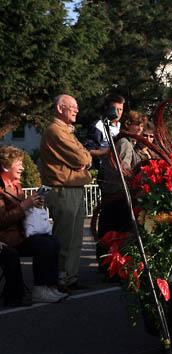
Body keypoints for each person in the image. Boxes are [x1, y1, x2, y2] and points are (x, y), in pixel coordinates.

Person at [40, 94, 93, 292]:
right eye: (73, 107)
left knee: (76, 238)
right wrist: (85, 159)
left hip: (73, 189)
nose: (77, 110)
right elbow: (81, 158)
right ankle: (61, 278)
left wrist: (84, 158)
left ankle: (70, 277)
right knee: (65, 238)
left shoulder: (66, 131)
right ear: (60, 108)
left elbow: (83, 156)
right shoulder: (56, 131)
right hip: (63, 190)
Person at [0, 146, 64, 303]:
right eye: (19, 162)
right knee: (44, 244)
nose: (22, 167)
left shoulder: (16, 184)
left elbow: (20, 211)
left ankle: (50, 286)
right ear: (5, 165)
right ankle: (39, 289)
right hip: (7, 239)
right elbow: (1, 221)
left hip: (20, 235)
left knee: (52, 241)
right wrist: (24, 206)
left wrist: (33, 203)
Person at [98, 111, 147, 243]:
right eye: (137, 125)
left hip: (116, 197)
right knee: (116, 237)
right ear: (128, 125)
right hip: (119, 198)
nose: (140, 129)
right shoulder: (125, 143)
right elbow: (122, 170)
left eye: (142, 126)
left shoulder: (125, 142)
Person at [84, 94, 125, 177]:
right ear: (107, 108)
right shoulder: (99, 126)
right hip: (106, 170)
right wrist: (107, 151)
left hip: (123, 168)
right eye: (115, 109)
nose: (118, 112)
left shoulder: (123, 126)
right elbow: (87, 150)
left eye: (120, 109)